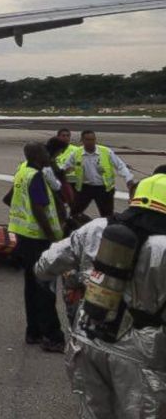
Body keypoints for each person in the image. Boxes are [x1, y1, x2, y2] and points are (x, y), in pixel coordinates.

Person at [35, 170, 166, 416]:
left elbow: (44, 266)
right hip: (143, 355)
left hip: (86, 339)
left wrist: (80, 276)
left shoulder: (96, 228)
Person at [8, 141, 65, 352]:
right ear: (37, 156)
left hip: (24, 236)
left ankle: (34, 331)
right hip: (38, 238)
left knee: (31, 286)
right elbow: (39, 208)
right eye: (44, 152)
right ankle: (52, 335)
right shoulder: (36, 176)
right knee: (45, 287)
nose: (47, 155)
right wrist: (52, 236)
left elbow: (9, 199)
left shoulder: (23, 172)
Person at [60, 130, 135, 219]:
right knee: (74, 213)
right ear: (82, 140)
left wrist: (128, 179)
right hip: (85, 188)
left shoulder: (106, 152)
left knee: (107, 216)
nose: (91, 142)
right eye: (88, 140)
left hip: (104, 189)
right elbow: (64, 168)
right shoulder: (76, 153)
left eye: (93, 139)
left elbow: (120, 166)